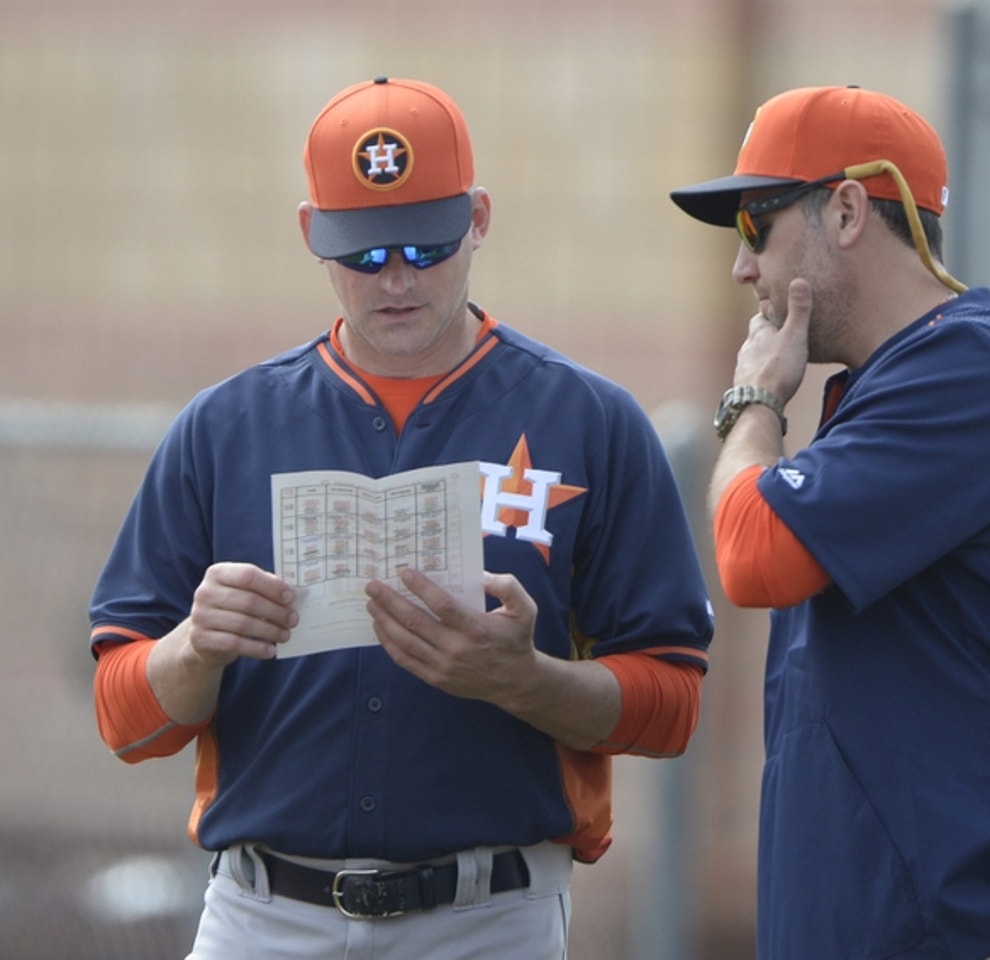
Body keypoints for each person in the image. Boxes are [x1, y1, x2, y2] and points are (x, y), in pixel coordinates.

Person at [90, 76, 713, 960]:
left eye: (426, 246)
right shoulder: (225, 427)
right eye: (364, 250)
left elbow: (674, 704)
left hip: (491, 917)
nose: (394, 279)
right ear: (312, 234)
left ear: (481, 218)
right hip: (264, 916)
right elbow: (123, 721)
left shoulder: (592, 420)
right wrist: (196, 647)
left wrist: (521, 679)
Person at [670, 85, 990, 959]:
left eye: (753, 224)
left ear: (845, 209)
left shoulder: (978, 370)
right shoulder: (886, 391)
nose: (741, 267)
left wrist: (753, 402)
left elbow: (751, 553)